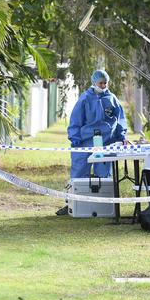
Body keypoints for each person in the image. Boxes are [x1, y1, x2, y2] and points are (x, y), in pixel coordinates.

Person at [56, 69, 127, 215]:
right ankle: (72, 204)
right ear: (94, 82)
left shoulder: (112, 99)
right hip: (84, 142)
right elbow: (76, 119)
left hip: (105, 142)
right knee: (79, 173)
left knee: (104, 174)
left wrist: (121, 136)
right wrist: (75, 138)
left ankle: (103, 206)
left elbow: (120, 120)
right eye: (100, 83)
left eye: (105, 83)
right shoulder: (85, 98)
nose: (103, 85)